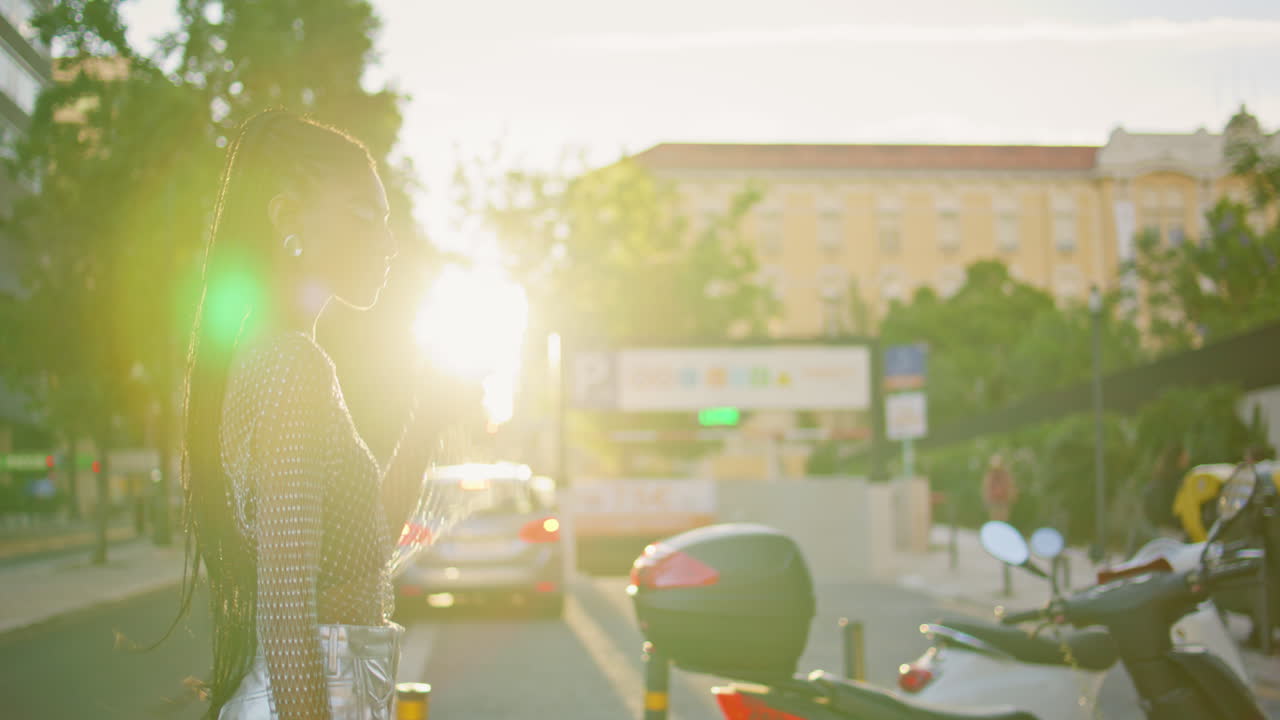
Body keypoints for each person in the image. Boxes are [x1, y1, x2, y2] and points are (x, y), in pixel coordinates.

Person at [162, 110, 459, 720]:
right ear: (289, 219)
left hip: (338, 688)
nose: (388, 240)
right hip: (314, 696)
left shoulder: (287, 357)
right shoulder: (292, 365)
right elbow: (286, 605)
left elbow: (364, 548)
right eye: (364, 215)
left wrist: (426, 421)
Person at [981, 454, 1018, 523]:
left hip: (1003, 500)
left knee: (1003, 520)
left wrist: (1011, 496)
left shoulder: (1005, 474)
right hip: (994, 500)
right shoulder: (990, 475)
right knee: (995, 520)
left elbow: (1010, 486)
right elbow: (986, 488)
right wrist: (987, 499)